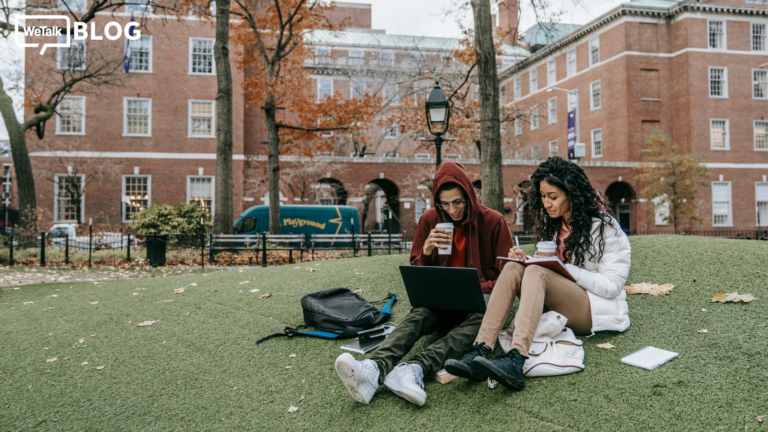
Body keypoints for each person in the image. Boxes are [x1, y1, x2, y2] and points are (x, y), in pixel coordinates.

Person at [334, 161, 513, 406]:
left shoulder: (494, 221)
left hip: (479, 304)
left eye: (459, 201)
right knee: (418, 314)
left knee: (481, 322)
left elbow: (508, 278)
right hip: (441, 303)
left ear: (470, 196)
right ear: (436, 201)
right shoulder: (430, 219)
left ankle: (414, 369)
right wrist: (427, 250)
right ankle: (373, 368)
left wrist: (478, 287)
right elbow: (417, 273)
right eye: (445, 203)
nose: (453, 209)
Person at [444, 156, 631, 390]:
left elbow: (612, 285)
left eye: (553, 197)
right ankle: (479, 348)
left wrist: (562, 269)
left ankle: (516, 357)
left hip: (592, 308)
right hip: (558, 301)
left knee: (537, 273)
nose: (546, 203)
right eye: (543, 197)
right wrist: (528, 260)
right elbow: (550, 270)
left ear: (572, 194)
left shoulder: (604, 227)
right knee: (514, 266)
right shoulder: (554, 225)